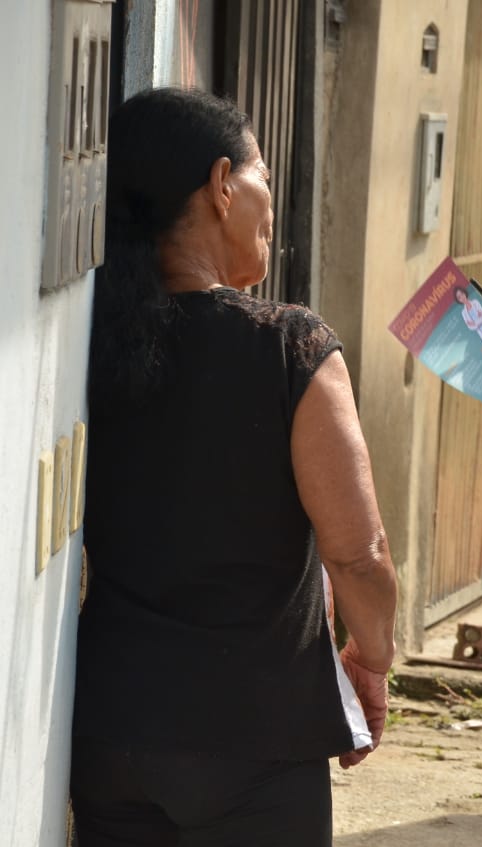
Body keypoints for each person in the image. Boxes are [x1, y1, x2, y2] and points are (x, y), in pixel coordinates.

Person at [73, 87, 398, 846]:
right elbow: (360, 553)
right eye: (263, 181)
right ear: (222, 186)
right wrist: (371, 660)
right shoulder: (289, 348)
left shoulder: (90, 346)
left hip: (112, 730)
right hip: (257, 742)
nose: (269, 208)